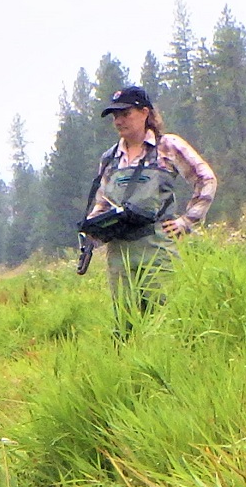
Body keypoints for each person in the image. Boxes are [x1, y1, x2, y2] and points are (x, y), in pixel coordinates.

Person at [79, 86, 216, 324]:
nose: (119, 121)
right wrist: (93, 231)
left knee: (166, 318)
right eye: (115, 116)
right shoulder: (110, 157)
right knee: (125, 323)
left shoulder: (168, 146)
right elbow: (102, 201)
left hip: (157, 246)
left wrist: (186, 221)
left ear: (144, 113)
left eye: (125, 114)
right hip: (119, 253)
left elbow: (206, 179)